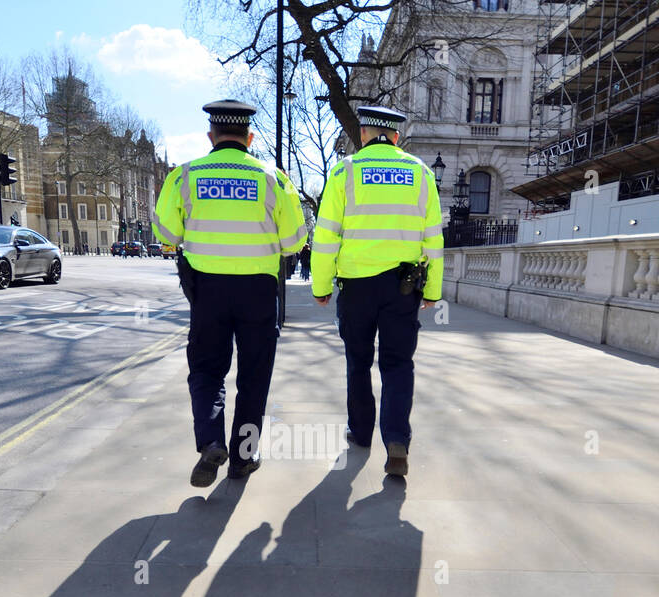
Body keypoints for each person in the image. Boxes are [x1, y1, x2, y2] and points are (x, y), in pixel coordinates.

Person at [153, 99, 307, 486]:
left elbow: (165, 234)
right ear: (249, 137)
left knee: (206, 370)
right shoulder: (273, 178)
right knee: (254, 376)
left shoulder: (184, 175)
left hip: (207, 289)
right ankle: (243, 457)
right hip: (258, 290)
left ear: (212, 135)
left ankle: (210, 442)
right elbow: (294, 240)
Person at [311, 105, 443, 478]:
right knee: (398, 364)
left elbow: (325, 238)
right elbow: (433, 238)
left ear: (364, 134)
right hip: (403, 287)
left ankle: (362, 433)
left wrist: (321, 286)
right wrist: (432, 289)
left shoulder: (344, 172)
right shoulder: (420, 173)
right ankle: (397, 439)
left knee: (358, 362)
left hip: (356, 288)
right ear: (396, 136)